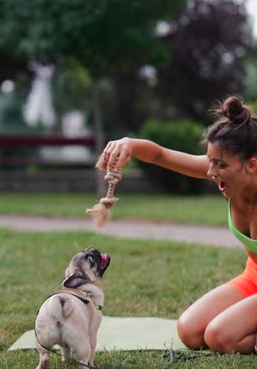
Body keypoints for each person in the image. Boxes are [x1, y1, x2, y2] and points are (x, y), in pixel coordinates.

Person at [103, 95, 257, 354]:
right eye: (210, 161)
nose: (210, 172)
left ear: (251, 165)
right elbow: (161, 155)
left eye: (220, 165)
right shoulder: (225, 173)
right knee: (190, 331)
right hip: (252, 278)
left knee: (219, 337)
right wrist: (129, 144)